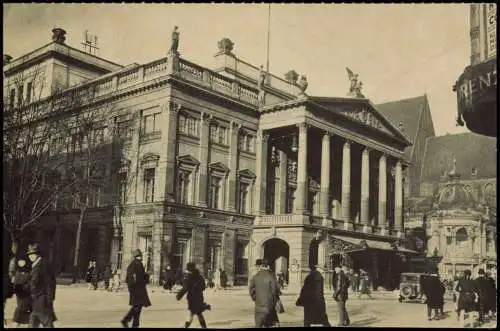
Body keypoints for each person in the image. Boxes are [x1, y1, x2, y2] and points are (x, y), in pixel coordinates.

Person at [26, 243, 56, 328]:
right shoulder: (36, 265)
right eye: (29, 255)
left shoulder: (42, 266)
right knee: (35, 321)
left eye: (32, 254)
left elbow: (49, 283)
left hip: (42, 301)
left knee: (45, 322)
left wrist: (49, 299)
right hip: (37, 301)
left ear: (37, 254)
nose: (29, 256)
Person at [121, 249, 152, 328]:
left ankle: (130, 322)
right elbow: (134, 278)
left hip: (138, 288)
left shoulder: (137, 264)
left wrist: (146, 275)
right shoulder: (135, 264)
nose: (141, 257)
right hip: (137, 289)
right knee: (137, 307)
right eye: (141, 255)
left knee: (137, 307)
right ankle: (129, 322)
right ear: (138, 256)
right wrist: (146, 276)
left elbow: (138, 276)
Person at [176, 262, 211, 328]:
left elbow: (185, 288)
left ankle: (186, 326)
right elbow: (203, 287)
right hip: (199, 298)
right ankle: (204, 327)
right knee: (199, 313)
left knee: (191, 313)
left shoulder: (189, 277)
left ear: (189, 269)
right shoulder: (200, 277)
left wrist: (179, 295)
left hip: (192, 298)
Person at [249, 259, 279, 328]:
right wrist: (272, 302)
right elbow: (275, 290)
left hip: (259, 307)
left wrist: (256, 299)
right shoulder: (272, 276)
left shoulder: (255, 277)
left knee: (258, 325)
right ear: (267, 266)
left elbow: (251, 290)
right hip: (270, 307)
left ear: (260, 266)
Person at [12, 257, 32, 326]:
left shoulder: (29, 271)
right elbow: (15, 282)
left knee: (23, 307)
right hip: (19, 292)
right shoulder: (17, 271)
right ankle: (19, 322)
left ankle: (20, 321)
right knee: (20, 306)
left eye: (22, 261)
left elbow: (30, 281)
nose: (21, 263)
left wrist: (25, 287)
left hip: (26, 292)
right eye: (20, 261)